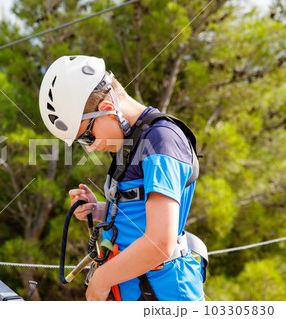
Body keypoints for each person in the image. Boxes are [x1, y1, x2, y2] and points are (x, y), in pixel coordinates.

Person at [39, 55, 206, 301]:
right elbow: (142, 210)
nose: (90, 148)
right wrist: (99, 210)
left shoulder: (162, 141)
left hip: (165, 296)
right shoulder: (132, 143)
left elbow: (160, 242)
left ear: (107, 109)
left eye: (87, 137)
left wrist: (101, 280)